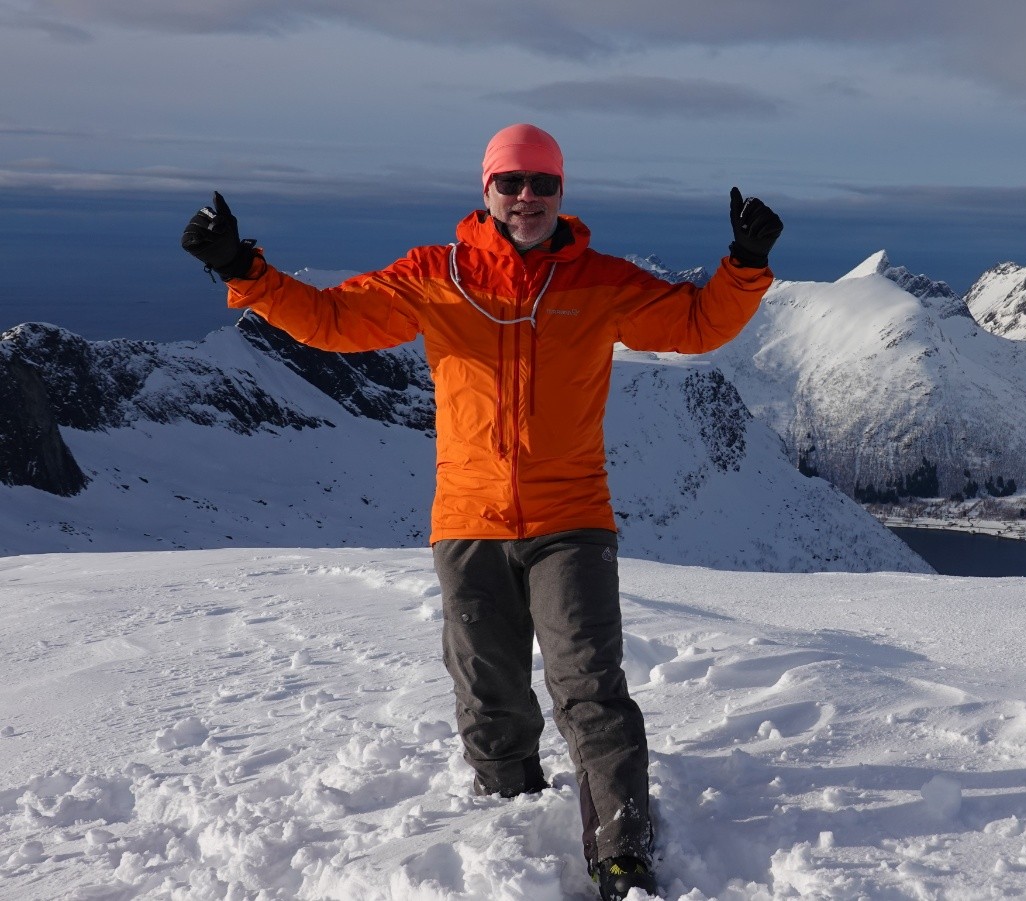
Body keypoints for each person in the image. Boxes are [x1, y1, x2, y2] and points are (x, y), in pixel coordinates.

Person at [181, 123, 782, 900]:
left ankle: (622, 848)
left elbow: (697, 325)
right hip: (468, 519)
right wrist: (242, 268)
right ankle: (510, 813)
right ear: (486, 189)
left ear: (562, 192)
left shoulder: (599, 281)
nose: (527, 197)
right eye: (512, 182)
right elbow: (333, 321)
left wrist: (746, 266)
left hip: (572, 516)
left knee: (589, 685)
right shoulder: (438, 276)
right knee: (487, 689)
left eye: (543, 183)